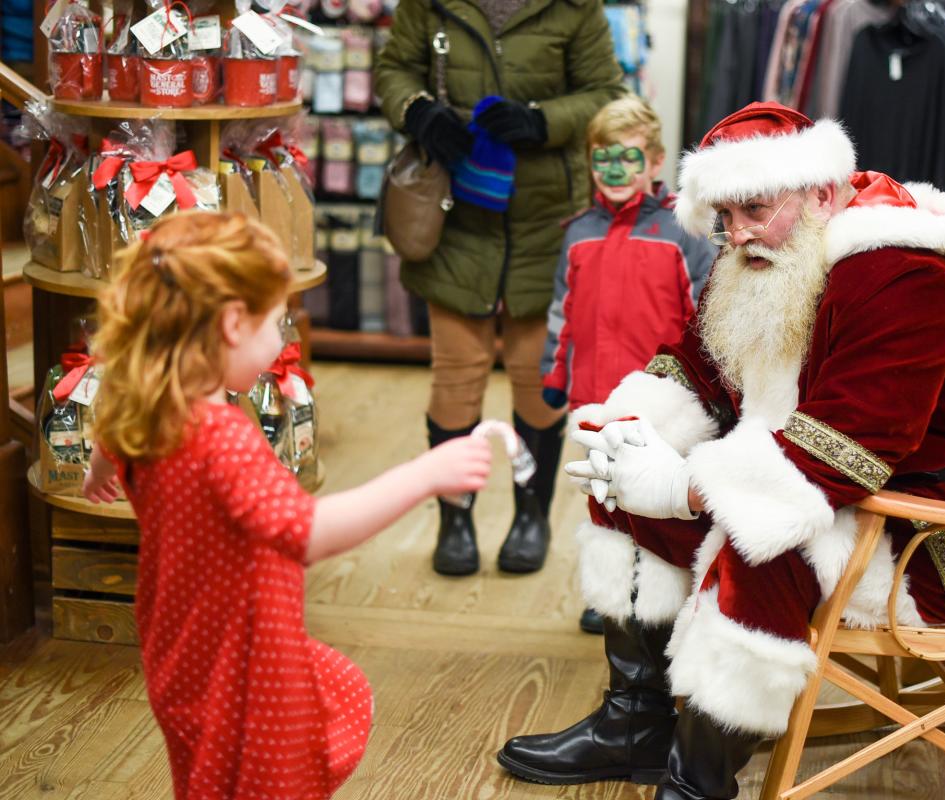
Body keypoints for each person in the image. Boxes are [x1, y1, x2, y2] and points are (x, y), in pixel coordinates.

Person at [497, 102, 945, 799]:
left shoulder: (905, 278)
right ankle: (634, 724)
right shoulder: (776, 254)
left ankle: (698, 782)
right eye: (724, 218)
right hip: (852, 495)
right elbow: (696, 366)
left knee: (763, 542)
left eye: (754, 209)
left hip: (942, 533)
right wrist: (625, 433)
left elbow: (844, 452)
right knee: (617, 481)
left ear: (820, 191)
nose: (738, 234)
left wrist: (679, 486)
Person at [81, 212, 492, 800]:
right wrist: (422, 474)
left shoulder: (142, 405)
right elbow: (308, 531)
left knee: (206, 773)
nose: (282, 341)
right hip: (243, 661)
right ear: (230, 324)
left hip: (180, 645)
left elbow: (107, 441)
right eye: (277, 322)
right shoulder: (218, 435)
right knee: (269, 781)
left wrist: (100, 471)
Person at [375, 0, 626, 577]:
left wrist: (541, 120)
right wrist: (418, 114)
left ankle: (530, 519)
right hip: (455, 214)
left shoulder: (575, 9)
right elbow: (393, 72)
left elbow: (605, 93)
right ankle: (454, 519)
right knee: (456, 379)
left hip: (546, 222)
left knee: (538, 386)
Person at [541, 96, 717, 633]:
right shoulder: (577, 233)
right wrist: (554, 372)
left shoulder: (681, 232)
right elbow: (560, 311)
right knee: (602, 499)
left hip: (660, 399)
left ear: (655, 162)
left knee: (653, 497)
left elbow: (705, 312)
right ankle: (609, 596)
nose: (615, 171)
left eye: (628, 158)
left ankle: (659, 598)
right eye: (603, 159)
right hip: (593, 393)